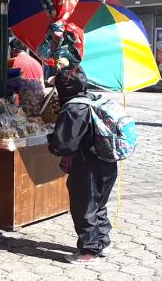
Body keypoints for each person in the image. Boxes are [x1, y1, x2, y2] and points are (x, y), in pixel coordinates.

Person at [47, 69, 118, 264]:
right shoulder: (94, 99)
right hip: (108, 161)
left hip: (88, 165)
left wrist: (51, 139)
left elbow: (64, 145)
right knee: (98, 202)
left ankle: (89, 251)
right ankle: (102, 241)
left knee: (83, 205)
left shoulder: (74, 108)